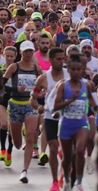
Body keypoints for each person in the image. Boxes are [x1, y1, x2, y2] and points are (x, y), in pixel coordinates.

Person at [53, 54, 97, 191]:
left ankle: (78, 182)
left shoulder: (87, 84)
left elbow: (91, 100)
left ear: (82, 70)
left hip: (81, 124)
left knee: (79, 150)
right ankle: (66, 180)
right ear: (69, 70)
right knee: (67, 158)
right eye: (73, 69)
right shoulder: (62, 85)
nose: (76, 72)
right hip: (66, 124)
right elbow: (56, 106)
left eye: (79, 69)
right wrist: (71, 100)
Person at [2, 40, 41, 183]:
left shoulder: (36, 68)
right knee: (17, 144)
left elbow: (43, 84)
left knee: (31, 137)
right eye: (26, 51)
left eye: (31, 51)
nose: (29, 54)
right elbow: (2, 86)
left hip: (31, 105)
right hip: (15, 105)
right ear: (21, 53)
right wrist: (15, 89)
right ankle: (13, 134)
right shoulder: (14, 67)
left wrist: (40, 93)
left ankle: (24, 171)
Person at [31, 47, 68, 191]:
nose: (61, 61)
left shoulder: (69, 75)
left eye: (63, 58)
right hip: (49, 117)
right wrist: (37, 107)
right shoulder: (43, 78)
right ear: (51, 60)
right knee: (53, 148)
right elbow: (32, 98)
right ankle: (54, 182)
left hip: (66, 117)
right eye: (59, 59)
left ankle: (63, 174)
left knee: (66, 150)